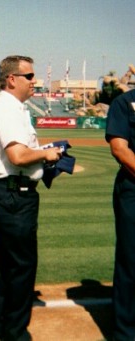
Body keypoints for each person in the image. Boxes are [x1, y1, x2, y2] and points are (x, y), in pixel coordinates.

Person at [0, 55, 62, 341]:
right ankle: (15, 332)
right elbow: (18, 155)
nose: (34, 81)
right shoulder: (10, 109)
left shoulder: (11, 108)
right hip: (14, 194)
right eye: (29, 76)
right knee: (21, 266)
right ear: (11, 79)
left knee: (5, 264)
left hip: (8, 193)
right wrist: (47, 153)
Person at [105, 88, 135, 341]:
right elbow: (120, 149)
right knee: (132, 259)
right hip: (133, 188)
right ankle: (126, 332)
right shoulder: (124, 102)